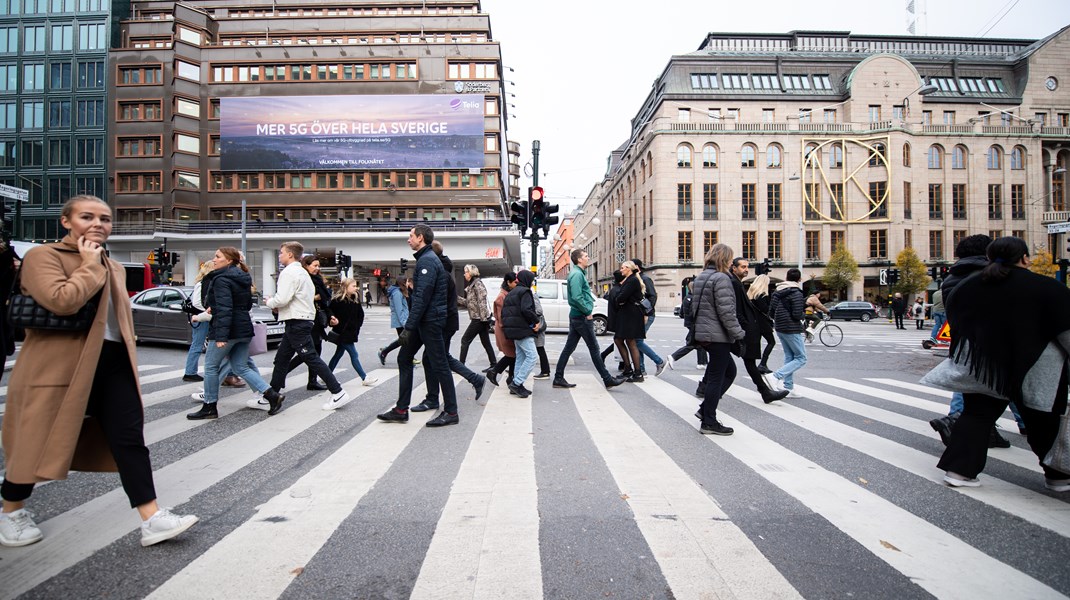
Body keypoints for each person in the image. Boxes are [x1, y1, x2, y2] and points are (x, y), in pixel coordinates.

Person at [0, 195, 197, 548]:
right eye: (87, 217)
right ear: (66, 222)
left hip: (111, 362)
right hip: (58, 365)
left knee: (129, 439)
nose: (98, 224)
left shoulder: (115, 266)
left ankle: (151, 517)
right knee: (36, 438)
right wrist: (90, 265)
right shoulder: (43, 257)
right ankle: (11, 509)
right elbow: (62, 300)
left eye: (104, 219)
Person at [935, 237, 1070, 491]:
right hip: (1036, 365)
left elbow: (958, 324)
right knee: (1043, 421)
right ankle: (1058, 476)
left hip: (985, 365)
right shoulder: (1046, 287)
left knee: (976, 415)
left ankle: (959, 471)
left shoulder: (969, 286)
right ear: (1025, 258)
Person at [927, 234, 1014, 448]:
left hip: (962, 340)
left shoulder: (951, 278)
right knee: (1008, 387)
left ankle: (972, 424)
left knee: (970, 384)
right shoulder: (988, 276)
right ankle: (957, 420)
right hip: (994, 341)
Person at [187, 247, 286, 420]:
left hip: (228, 330)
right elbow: (245, 305)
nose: (214, 259)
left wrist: (221, 336)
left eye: (218, 256)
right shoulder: (243, 278)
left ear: (229, 260)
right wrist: (216, 307)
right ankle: (272, 396)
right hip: (243, 329)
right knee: (241, 367)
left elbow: (225, 309)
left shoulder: (220, 279)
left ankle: (209, 406)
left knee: (211, 367)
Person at [377, 225, 458, 427]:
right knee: (404, 357)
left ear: (420, 238)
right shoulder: (426, 259)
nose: (408, 239)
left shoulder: (427, 261)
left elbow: (421, 298)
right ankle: (401, 409)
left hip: (430, 322)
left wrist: (409, 328)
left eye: (411, 236)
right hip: (425, 320)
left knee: (439, 364)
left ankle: (451, 411)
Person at [267, 241, 350, 411]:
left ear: (290, 254)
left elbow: (282, 299)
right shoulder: (302, 273)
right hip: (299, 320)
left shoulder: (290, 273)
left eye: (281, 253)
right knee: (282, 359)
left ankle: (338, 392)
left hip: (297, 320)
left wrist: (269, 301)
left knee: (311, 357)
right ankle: (270, 394)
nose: (280, 256)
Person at [410, 242, 486, 412]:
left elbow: (436, 301)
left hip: (443, 322)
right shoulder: (443, 269)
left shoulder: (438, 272)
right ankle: (435, 397)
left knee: (438, 359)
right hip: (446, 321)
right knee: (433, 359)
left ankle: (440, 398)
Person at [690, 243, 745, 435]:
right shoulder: (722, 278)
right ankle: (709, 421)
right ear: (725, 259)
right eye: (730, 259)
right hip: (717, 335)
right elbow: (727, 312)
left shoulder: (702, 276)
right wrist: (739, 334)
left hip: (705, 333)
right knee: (717, 377)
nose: (731, 262)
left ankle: (705, 410)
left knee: (728, 371)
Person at [552, 249, 626, 390]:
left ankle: (558, 378)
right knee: (594, 348)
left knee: (569, 348)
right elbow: (576, 296)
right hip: (581, 316)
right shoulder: (577, 275)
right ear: (579, 260)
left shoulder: (578, 274)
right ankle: (607, 378)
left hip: (577, 315)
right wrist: (587, 311)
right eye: (586, 256)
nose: (588, 257)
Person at [729, 258, 790, 404]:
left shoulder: (738, 283)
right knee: (735, 364)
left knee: (741, 363)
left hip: (744, 329)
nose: (746, 269)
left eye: (747, 267)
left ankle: (765, 392)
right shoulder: (734, 283)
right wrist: (744, 327)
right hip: (743, 330)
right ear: (734, 268)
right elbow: (736, 309)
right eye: (743, 267)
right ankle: (765, 392)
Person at [286, 255, 331, 391]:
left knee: (315, 350)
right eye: (314, 265)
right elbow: (299, 298)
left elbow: (325, 301)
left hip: (316, 319)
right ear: (306, 265)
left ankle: (312, 381)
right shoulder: (304, 278)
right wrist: (314, 297)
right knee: (306, 352)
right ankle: (281, 374)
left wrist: (331, 316)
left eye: (318, 266)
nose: (317, 268)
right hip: (305, 318)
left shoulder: (317, 279)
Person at [326, 277, 378, 387]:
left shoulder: (355, 298)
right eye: (353, 286)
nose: (356, 288)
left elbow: (360, 314)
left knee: (338, 354)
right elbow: (329, 312)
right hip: (342, 332)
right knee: (354, 354)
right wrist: (332, 319)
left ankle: (327, 376)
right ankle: (364, 377)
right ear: (345, 287)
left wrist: (357, 325)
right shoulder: (337, 300)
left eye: (356, 286)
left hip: (351, 331)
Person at [767, 268, 807, 397]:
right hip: (792, 328)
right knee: (801, 358)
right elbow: (796, 314)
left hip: (780, 327)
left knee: (790, 356)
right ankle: (775, 376)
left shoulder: (777, 291)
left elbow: (771, 311)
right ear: (799, 279)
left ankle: (788, 387)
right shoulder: (796, 293)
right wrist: (803, 315)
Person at [502, 269, 541, 397]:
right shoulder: (525, 292)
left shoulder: (511, 292)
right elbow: (526, 309)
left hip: (514, 330)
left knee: (521, 357)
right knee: (532, 357)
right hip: (523, 330)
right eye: (531, 280)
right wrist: (536, 321)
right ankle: (517, 383)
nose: (532, 283)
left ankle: (516, 383)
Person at [631, 259, 667, 376]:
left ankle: (659, 361)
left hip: (646, 315)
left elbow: (652, 296)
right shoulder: (636, 279)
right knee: (637, 341)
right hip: (639, 315)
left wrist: (646, 313)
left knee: (637, 341)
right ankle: (640, 369)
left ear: (636, 266)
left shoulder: (645, 279)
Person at [456, 264, 497, 368]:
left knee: (465, 340)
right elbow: (470, 303)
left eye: (466, 272)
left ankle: (461, 366)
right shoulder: (472, 285)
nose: (464, 274)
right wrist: (456, 298)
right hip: (480, 319)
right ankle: (494, 364)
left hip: (479, 319)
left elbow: (482, 302)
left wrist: (484, 320)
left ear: (471, 273)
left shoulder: (478, 284)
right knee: (486, 342)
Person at [614, 260, 648, 383]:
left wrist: (620, 299)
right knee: (624, 340)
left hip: (631, 315)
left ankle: (636, 372)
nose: (621, 270)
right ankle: (630, 369)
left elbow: (621, 297)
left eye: (623, 268)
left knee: (629, 342)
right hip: (629, 314)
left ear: (629, 268)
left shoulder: (632, 280)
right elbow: (621, 297)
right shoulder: (632, 279)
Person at [667, 277, 709, 374]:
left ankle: (702, 363)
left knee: (700, 343)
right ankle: (673, 357)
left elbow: (681, 313)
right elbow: (694, 313)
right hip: (695, 324)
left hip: (690, 324)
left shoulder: (687, 298)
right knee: (692, 344)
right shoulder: (695, 298)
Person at [182, 261, 215, 382]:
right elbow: (196, 302)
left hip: (201, 316)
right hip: (200, 317)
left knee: (199, 344)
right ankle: (190, 372)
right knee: (197, 344)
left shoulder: (205, 282)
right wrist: (207, 311)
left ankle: (190, 372)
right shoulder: (201, 284)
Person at [483, 273, 517, 387]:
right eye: (515, 282)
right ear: (508, 282)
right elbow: (502, 317)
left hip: (506, 328)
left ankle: (510, 377)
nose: (516, 285)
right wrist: (509, 330)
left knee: (513, 354)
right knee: (511, 354)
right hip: (504, 329)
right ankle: (494, 371)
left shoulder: (507, 294)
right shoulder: (502, 297)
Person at [747, 273, 777, 374]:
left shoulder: (751, 295)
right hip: (763, 322)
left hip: (754, 322)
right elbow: (765, 309)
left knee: (757, 343)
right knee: (771, 342)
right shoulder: (762, 295)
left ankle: (755, 364)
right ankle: (763, 364)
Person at [377, 277, 409, 365]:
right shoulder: (397, 293)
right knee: (404, 341)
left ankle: (385, 352)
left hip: (401, 320)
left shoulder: (399, 292)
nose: (407, 283)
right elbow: (399, 310)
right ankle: (385, 352)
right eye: (406, 282)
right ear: (402, 283)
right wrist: (404, 323)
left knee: (403, 341)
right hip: (400, 321)